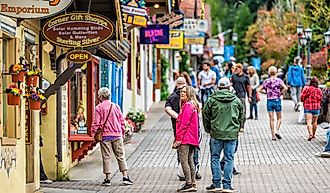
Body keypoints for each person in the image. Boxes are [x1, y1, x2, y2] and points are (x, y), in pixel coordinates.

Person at [203, 77, 244, 193]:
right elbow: (242, 115)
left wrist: (208, 129)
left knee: (215, 157)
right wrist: (239, 128)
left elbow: (205, 115)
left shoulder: (211, 100)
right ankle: (227, 185)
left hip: (216, 133)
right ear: (229, 87)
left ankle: (216, 184)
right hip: (231, 134)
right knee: (229, 159)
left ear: (218, 87)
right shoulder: (236, 100)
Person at [92, 87, 133, 186]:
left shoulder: (99, 108)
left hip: (105, 135)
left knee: (106, 157)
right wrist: (122, 133)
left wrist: (93, 133)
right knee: (120, 156)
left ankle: (107, 179)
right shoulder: (116, 106)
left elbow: (96, 123)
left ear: (101, 96)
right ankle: (125, 177)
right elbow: (121, 121)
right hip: (117, 134)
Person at [175, 86, 200, 192]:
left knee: (184, 160)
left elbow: (184, 124)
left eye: (185, 92)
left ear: (189, 93)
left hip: (186, 138)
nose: (182, 93)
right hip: (191, 138)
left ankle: (189, 184)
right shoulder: (193, 105)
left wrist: (178, 139)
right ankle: (192, 183)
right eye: (181, 92)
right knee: (190, 160)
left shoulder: (187, 106)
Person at [165, 77, 187, 180]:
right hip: (190, 126)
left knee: (180, 147)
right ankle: (194, 170)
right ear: (185, 83)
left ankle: (181, 171)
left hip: (177, 126)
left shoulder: (172, 96)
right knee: (193, 148)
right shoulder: (190, 94)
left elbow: (167, 109)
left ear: (176, 84)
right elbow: (198, 105)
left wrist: (178, 117)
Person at [258, 66, 288, 140]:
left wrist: (265, 93)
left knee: (271, 119)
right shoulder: (279, 80)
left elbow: (259, 89)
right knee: (279, 118)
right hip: (277, 100)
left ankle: (273, 135)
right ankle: (277, 130)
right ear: (276, 72)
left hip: (269, 100)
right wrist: (280, 93)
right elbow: (286, 88)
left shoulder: (267, 81)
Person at [231, 63, 252, 132]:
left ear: (241, 69)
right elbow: (230, 85)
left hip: (242, 95)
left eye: (237, 68)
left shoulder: (245, 77)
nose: (236, 70)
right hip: (234, 96)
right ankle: (235, 125)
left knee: (242, 111)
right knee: (234, 111)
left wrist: (250, 96)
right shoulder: (233, 76)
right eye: (235, 69)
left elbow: (249, 87)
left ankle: (242, 126)